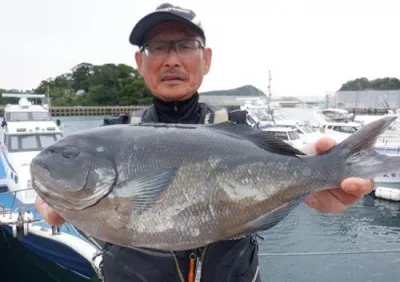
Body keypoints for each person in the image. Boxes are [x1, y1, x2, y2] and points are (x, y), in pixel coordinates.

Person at [35, 3, 374, 281]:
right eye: (157, 47)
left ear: (206, 58)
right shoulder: (113, 133)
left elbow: (285, 164)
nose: (171, 59)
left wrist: (315, 181)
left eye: (185, 45)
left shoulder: (241, 127)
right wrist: (56, 199)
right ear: (140, 62)